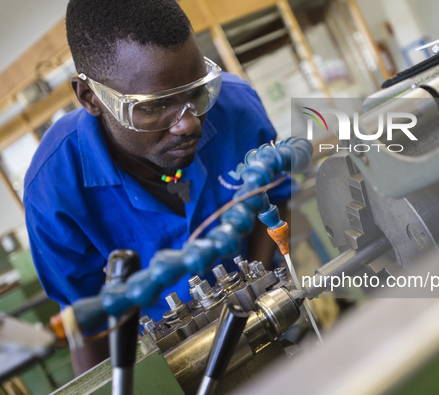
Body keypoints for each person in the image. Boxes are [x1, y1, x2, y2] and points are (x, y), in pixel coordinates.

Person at [23, 0, 291, 374]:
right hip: (166, 363)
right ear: (91, 98)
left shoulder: (236, 109)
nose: (188, 124)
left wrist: (256, 298)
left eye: (197, 92)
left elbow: (273, 200)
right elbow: (90, 324)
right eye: (155, 106)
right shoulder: (54, 188)